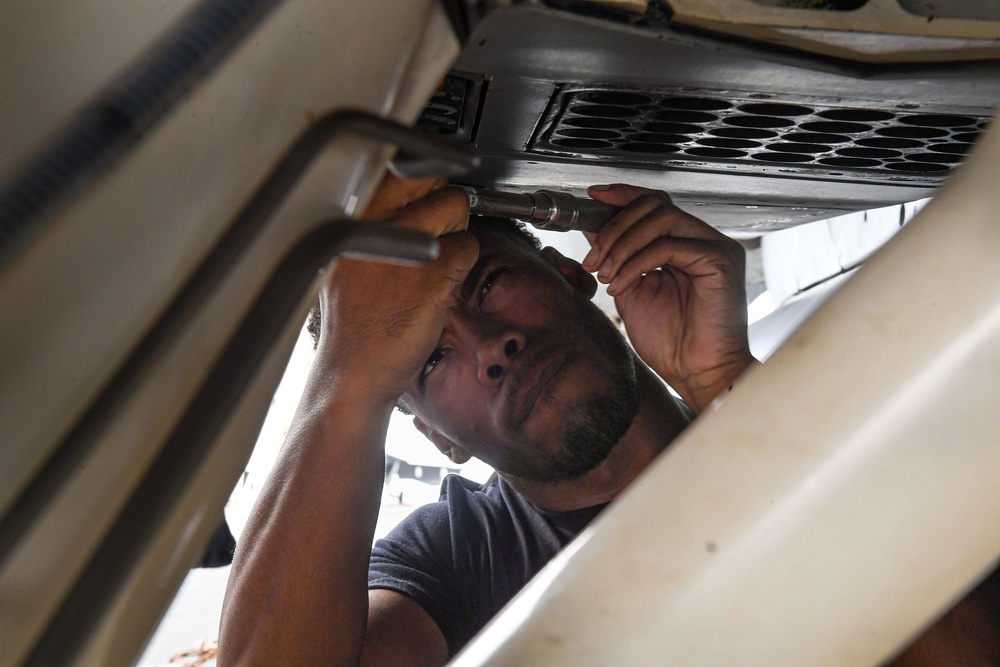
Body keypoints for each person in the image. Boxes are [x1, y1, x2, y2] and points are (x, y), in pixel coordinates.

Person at [217, 177, 998, 666]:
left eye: (488, 285)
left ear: (568, 275)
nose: (492, 348)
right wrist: (348, 377)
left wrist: (726, 385)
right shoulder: (457, 557)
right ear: (438, 439)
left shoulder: (848, 427)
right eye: (429, 359)